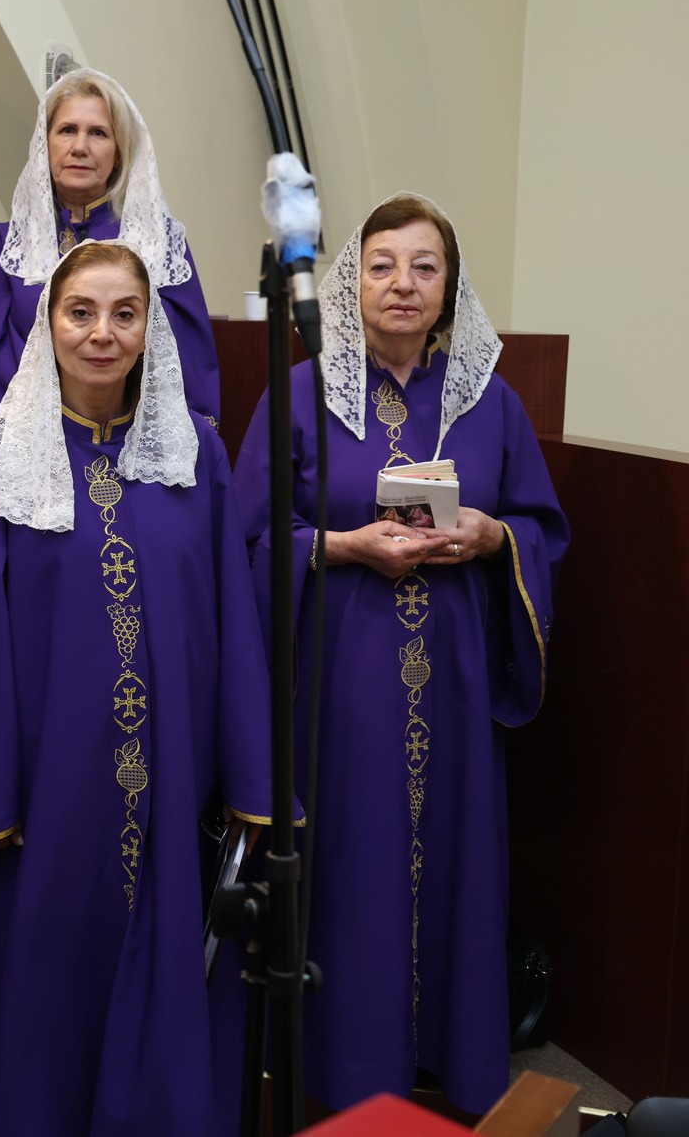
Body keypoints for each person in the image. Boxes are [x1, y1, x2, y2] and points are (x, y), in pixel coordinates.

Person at [0, 240, 273, 1136]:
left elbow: (232, 615)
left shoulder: (195, 455)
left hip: (170, 785)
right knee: (37, 998)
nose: (102, 333)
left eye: (124, 314)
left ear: (150, 330)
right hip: (43, 793)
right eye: (81, 312)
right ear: (49, 324)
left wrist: (248, 779)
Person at [234, 193, 567, 1115]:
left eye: (425, 267)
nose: (403, 284)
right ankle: (349, 1070)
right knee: (354, 865)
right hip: (341, 684)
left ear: (450, 286)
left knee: (455, 863)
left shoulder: (490, 402)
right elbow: (248, 537)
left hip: (454, 687)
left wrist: (493, 536)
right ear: (353, 282)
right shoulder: (300, 394)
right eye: (382, 265)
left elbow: (541, 528)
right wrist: (344, 545)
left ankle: (453, 1062)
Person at [0, 67, 220, 426]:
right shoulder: (12, 242)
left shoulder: (156, 239)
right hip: (34, 431)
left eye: (98, 133)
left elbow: (184, 358)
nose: (79, 147)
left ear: (119, 152)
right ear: (44, 144)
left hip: (129, 432)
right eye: (67, 130)